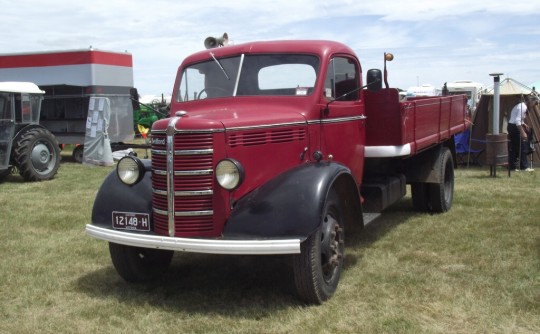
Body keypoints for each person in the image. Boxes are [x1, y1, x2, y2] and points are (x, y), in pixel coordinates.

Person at [507, 94, 538, 171]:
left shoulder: (522, 106)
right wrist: (523, 132)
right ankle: (524, 167)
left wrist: (524, 124)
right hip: (514, 127)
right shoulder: (523, 107)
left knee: (514, 147)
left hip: (511, 126)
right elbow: (517, 121)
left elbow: (517, 119)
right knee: (522, 146)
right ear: (531, 101)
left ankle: (512, 166)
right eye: (535, 103)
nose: (534, 105)